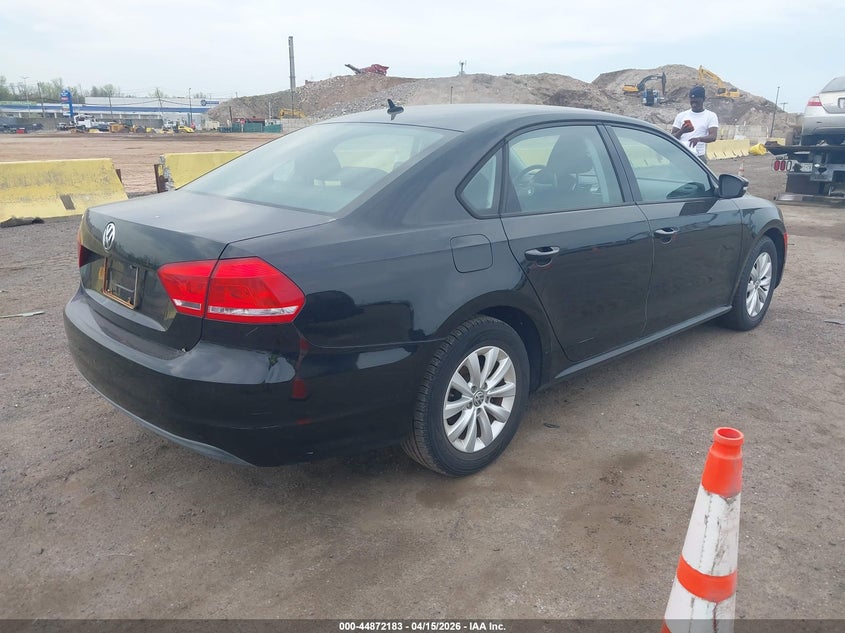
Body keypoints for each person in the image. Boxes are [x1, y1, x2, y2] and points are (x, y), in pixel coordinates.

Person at [671, 86, 718, 163]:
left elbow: (713, 137)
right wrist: (682, 131)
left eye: (697, 102)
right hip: (681, 155)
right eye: (692, 102)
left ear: (703, 99)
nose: (694, 105)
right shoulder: (681, 115)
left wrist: (698, 139)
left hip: (698, 157)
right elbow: (672, 137)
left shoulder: (711, 116)